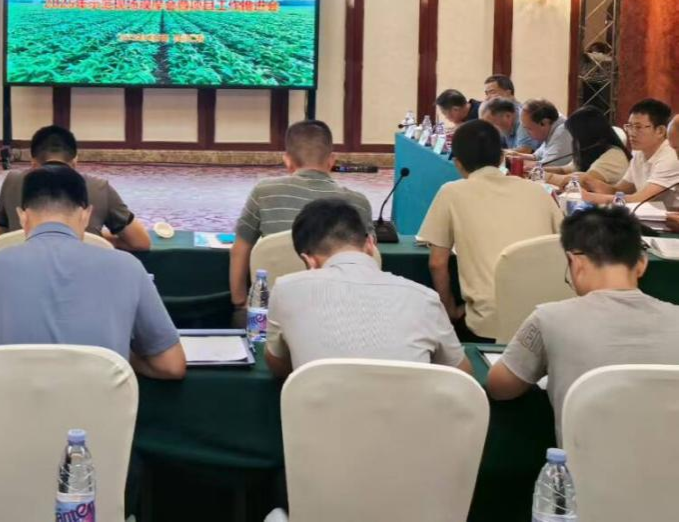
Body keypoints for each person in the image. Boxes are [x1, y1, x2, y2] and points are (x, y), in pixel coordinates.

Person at [0, 164, 185, 380]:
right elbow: (171, 366)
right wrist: (120, 356)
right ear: (86, 215)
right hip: (99, 418)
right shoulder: (128, 267)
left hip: (5, 416)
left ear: (22, 217)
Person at [486, 207, 679, 441]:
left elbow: (500, 388)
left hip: (583, 464)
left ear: (575, 262)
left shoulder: (549, 319)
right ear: (641, 264)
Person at [265, 199, 470, 379]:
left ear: (308, 261)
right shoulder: (425, 298)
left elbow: (278, 365)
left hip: (318, 412)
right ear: (371, 244)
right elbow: (462, 375)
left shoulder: (285, 290)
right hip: (409, 412)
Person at [418, 119, 563, 341]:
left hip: (489, 325)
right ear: (502, 158)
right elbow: (565, 246)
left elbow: (437, 263)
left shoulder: (451, 193)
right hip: (546, 321)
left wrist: (450, 310)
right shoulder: (538, 191)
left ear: (457, 163)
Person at [230, 120, 372, 311]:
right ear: (332, 161)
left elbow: (240, 249)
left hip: (274, 311)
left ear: (287, 161)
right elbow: (369, 260)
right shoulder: (358, 203)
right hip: (341, 309)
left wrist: (239, 303)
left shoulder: (264, 192)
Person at [0, 125, 151, 251]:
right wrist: (98, 239)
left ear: (33, 163)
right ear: (75, 162)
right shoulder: (99, 187)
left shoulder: (12, 182)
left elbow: (0, 239)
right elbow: (140, 242)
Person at [581, 98, 679, 210]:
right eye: (629, 126)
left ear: (660, 131)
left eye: (638, 127)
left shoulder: (671, 155)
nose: (631, 133)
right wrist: (590, 182)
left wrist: (590, 197)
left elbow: (639, 199)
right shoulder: (638, 152)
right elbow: (619, 191)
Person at [542, 105, 631, 190]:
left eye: (575, 136)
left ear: (586, 136)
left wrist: (545, 176)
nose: (573, 141)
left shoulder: (614, 156)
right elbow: (564, 170)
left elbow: (582, 183)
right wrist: (537, 169)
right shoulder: (591, 151)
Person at [483, 74, 538, 150]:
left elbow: (525, 150)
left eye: (492, 92)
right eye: (486, 94)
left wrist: (494, 153)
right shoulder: (498, 114)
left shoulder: (523, 115)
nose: (487, 98)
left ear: (508, 93)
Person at [515, 99, 573, 166]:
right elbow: (536, 157)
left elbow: (547, 166)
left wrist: (515, 161)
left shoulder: (562, 133)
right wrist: (515, 156)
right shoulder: (551, 126)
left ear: (544, 123)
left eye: (529, 129)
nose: (527, 133)